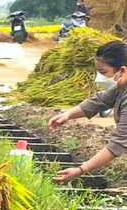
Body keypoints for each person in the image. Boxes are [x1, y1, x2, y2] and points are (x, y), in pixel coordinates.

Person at [50, 41, 127, 184]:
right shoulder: (121, 87)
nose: (100, 78)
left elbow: (118, 144)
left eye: (103, 73)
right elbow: (99, 102)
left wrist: (80, 170)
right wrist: (68, 115)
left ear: (122, 71)